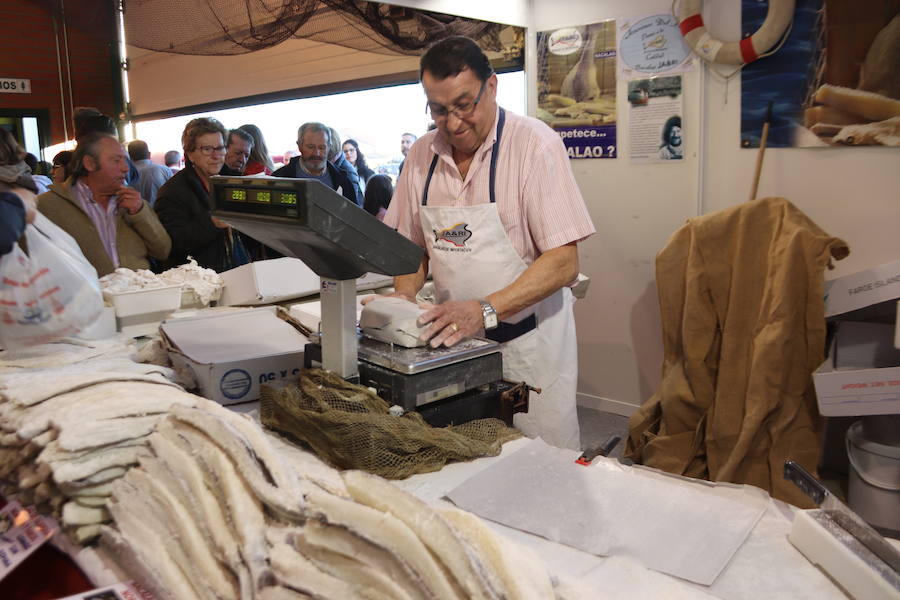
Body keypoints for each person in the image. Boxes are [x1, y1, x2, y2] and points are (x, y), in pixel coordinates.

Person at [378, 36, 595, 450]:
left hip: (528, 347)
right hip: (452, 347)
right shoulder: (421, 156)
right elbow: (409, 249)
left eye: (464, 105)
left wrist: (484, 311)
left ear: (491, 87)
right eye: (439, 110)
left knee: (538, 467)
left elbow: (563, 262)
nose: (454, 122)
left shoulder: (535, 145)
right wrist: (402, 302)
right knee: (460, 456)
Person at [37, 132, 171, 277]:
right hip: (87, 297)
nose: (126, 168)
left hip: (139, 293)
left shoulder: (133, 201)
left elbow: (163, 251)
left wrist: (139, 213)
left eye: (125, 160)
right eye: (116, 160)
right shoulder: (47, 206)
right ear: (89, 163)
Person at [155, 117, 239, 271]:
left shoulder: (232, 182)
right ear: (190, 154)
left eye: (220, 148)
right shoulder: (172, 192)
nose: (215, 156)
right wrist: (212, 222)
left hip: (236, 271)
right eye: (207, 149)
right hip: (199, 282)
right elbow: (172, 245)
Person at [272, 122, 357, 205]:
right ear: (299, 146)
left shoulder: (343, 181)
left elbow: (354, 216)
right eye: (310, 147)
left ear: (329, 147)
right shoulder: (278, 178)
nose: (316, 153)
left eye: (322, 147)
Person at [127, 139, 173, 207]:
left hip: (138, 215)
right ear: (149, 154)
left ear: (129, 156)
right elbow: (173, 193)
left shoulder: (126, 174)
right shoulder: (165, 170)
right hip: (163, 213)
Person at [327, 126, 363, 206]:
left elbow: (351, 206)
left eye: (351, 150)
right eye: (346, 151)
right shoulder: (330, 164)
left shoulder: (348, 172)